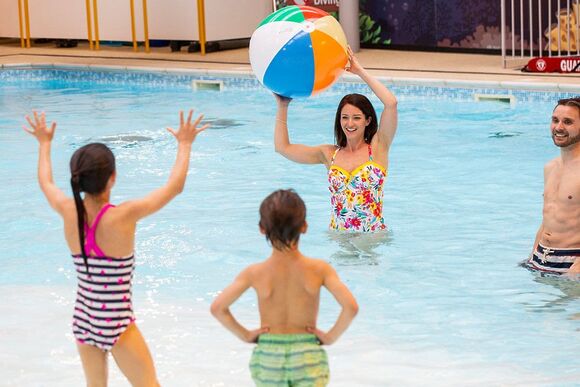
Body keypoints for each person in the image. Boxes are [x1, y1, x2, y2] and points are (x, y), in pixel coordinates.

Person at [23, 110, 208, 386]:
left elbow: (46, 182)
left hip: (84, 320)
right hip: (116, 324)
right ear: (113, 177)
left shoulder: (67, 210)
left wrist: (44, 144)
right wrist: (185, 144)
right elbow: (174, 187)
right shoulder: (124, 215)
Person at [210, 189, 358, 386]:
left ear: (262, 228)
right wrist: (330, 337)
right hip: (307, 354)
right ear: (304, 227)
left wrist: (246, 335)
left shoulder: (254, 273)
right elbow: (351, 307)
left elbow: (218, 308)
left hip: (269, 355)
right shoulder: (320, 269)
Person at [274, 47, 397, 232]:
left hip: (372, 239)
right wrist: (283, 105)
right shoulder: (329, 154)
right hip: (338, 238)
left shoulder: (378, 147)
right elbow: (282, 148)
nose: (349, 123)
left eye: (356, 117)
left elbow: (391, 103)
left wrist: (360, 71)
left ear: (368, 120)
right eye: (344, 117)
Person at [527, 97, 580, 276]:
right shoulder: (550, 167)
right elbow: (548, 216)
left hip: (572, 264)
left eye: (568, 122)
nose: (558, 127)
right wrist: (532, 256)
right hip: (541, 259)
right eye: (555, 120)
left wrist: (575, 271)